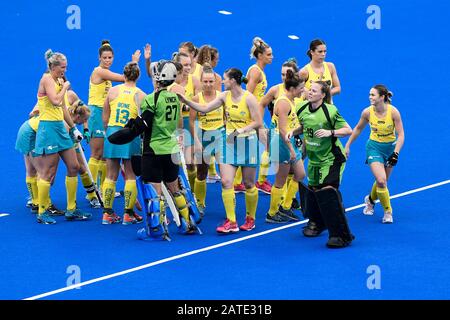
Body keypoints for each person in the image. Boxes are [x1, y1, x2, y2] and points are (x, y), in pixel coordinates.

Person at [109, 60, 199, 233]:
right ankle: (188, 223)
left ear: (158, 78)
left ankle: (158, 229)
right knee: (175, 189)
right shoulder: (175, 97)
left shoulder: (151, 99)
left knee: (155, 193)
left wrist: (128, 129)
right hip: (171, 149)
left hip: (153, 150)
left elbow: (144, 125)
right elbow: (178, 122)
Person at [178, 68, 262, 233]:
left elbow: (258, 122)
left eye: (225, 79)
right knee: (226, 182)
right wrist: (186, 101)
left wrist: (240, 131)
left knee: (249, 184)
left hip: (248, 144)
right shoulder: (224, 96)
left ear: (233, 81)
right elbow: (204, 108)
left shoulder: (249, 98)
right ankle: (231, 221)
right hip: (229, 144)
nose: (222, 82)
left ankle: (250, 219)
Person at [289, 81, 353, 248]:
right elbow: (305, 128)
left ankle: (341, 235)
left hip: (332, 158)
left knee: (328, 191)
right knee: (314, 192)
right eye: (309, 89)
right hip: (314, 158)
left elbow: (348, 130)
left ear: (323, 95)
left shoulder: (330, 111)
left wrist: (330, 132)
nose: (309, 92)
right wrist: (294, 133)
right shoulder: (302, 108)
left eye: (314, 91)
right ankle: (318, 222)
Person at [33, 49, 91, 224]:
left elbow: (63, 107)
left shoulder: (58, 79)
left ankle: (71, 209)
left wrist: (74, 128)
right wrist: (65, 87)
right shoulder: (47, 79)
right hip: (49, 129)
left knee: (74, 166)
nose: (64, 71)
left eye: (66, 67)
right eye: (62, 68)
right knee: (48, 172)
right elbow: (56, 101)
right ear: (53, 66)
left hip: (60, 128)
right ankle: (42, 212)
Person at [344, 85, 404, 223]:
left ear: (382, 97)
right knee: (382, 181)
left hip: (390, 149)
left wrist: (396, 153)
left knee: (382, 181)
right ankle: (388, 212)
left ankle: (370, 200)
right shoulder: (367, 112)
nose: (370, 97)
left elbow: (401, 135)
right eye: (369, 94)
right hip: (374, 148)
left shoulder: (393, 112)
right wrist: (347, 145)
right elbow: (358, 129)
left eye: (373, 95)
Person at [87, 40, 140, 192]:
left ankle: (103, 188)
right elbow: (126, 78)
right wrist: (134, 63)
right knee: (96, 154)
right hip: (97, 113)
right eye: (105, 58)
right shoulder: (99, 71)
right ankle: (91, 192)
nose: (108, 60)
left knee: (104, 155)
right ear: (99, 58)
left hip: (103, 113)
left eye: (110, 57)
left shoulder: (106, 73)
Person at [102, 62, 147, 225]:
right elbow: (144, 121)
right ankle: (128, 214)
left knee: (110, 175)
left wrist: (110, 132)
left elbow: (105, 118)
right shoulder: (141, 95)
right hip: (130, 134)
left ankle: (107, 214)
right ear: (138, 76)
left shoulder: (112, 91)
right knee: (130, 175)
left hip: (113, 133)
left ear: (124, 75)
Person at [266, 70, 306, 223]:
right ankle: (272, 212)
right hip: (282, 143)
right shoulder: (283, 103)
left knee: (300, 174)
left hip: (289, 140)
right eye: (301, 88)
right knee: (280, 180)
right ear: (292, 88)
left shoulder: (292, 100)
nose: (303, 90)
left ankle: (286, 205)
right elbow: (282, 130)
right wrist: (291, 150)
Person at [188, 64, 225, 216]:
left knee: (226, 175)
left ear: (215, 82)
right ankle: (200, 203)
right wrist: (196, 141)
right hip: (204, 136)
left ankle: (229, 208)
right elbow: (191, 121)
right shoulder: (197, 98)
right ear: (201, 81)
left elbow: (226, 117)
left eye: (211, 82)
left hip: (220, 136)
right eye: (206, 82)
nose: (208, 85)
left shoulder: (222, 97)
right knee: (201, 173)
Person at [240, 37, 273, 195]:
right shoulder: (255, 71)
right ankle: (261, 181)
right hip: (254, 117)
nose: (271, 57)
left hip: (257, 115)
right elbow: (248, 94)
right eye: (268, 54)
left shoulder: (259, 71)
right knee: (269, 146)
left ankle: (237, 182)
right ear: (260, 56)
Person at [172, 52, 201, 189]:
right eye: (185, 65)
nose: (188, 68)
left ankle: (192, 192)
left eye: (190, 64)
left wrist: (185, 105)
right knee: (174, 161)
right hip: (173, 124)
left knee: (189, 162)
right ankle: (175, 191)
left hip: (189, 123)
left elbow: (199, 104)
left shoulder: (194, 80)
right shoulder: (170, 82)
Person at [196, 44, 222, 183]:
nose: (217, 61)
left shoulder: (197, 72)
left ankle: (212, 172)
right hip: (206, 127)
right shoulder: (215, 77)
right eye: (216, 59)